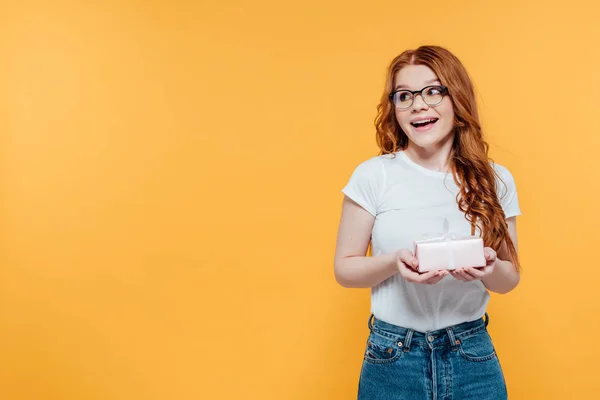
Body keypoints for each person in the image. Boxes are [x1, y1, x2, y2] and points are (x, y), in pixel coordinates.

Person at [334, 45, 521, 400]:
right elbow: (344, 270)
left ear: (457, 98)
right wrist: (393, 263)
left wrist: (488, 268)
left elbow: (508, 280)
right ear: (394, 108)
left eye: (433, 91)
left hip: (471, 355)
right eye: (404, 96)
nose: (418, 104)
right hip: (391, 356)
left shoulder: (496, 179)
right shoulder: (374, 176)